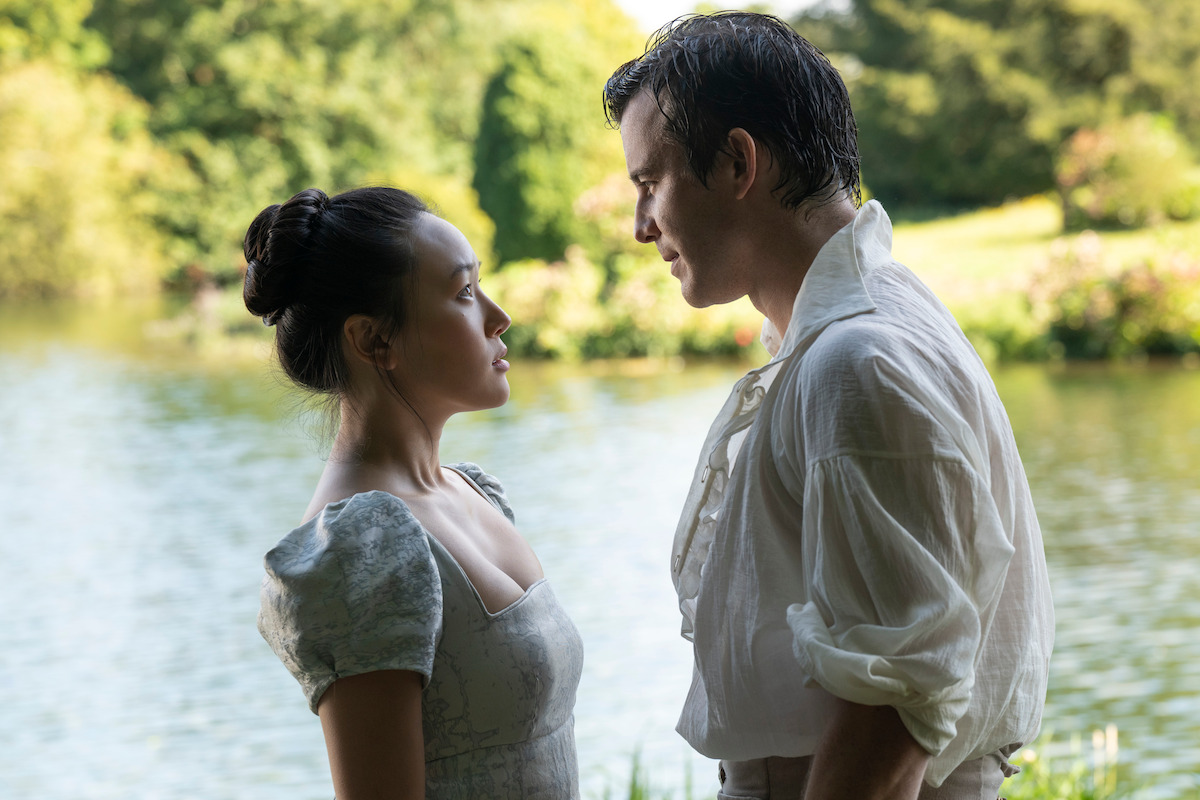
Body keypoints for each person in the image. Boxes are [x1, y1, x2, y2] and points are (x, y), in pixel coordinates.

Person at [603, 12, 1054, 800]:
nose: (642, 227)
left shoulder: (858, 361)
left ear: (739, 161)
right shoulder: (866, 324)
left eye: (650, 182)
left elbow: (899, 697)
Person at [246, 186, 583, 800]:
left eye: (480, 285)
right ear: (376, 341)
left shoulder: (470, 492)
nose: (497, 315)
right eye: (462, 293)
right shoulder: (359, 550)